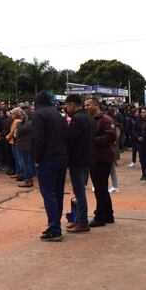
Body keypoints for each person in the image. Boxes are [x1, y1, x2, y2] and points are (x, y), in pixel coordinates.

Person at [32, 91, 68, 241]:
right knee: (57, 193)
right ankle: (55, 225)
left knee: (49, 194)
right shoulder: (57, 114)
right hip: (61, 158)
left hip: (48, 159)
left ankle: (54, 228)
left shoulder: (39, 115)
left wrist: (37, 159)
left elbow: (38, 140)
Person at [64, 94, 95, 234]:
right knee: (79, 191)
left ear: (72, 104)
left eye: (67, 105)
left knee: (79, 192)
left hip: (77, 159)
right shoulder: (89, 117)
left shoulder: (77, 118)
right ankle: (78, 220)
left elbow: (70, 138)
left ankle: (83, 222)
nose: (65, 108)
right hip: (87, 158)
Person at [85, 97, 117, 227]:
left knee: (100, 188)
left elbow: (111, 136)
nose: (86, 107)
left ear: (96, 105)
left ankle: (100, 216)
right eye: (85, 105)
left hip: (102, 158)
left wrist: (92, 140)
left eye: (88, 105)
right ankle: (108, 215)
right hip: (94, 157)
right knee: (101, 188)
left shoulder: (106, 120)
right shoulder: (91, 120)